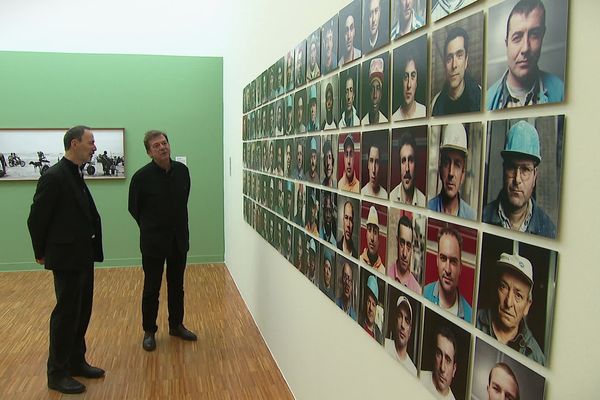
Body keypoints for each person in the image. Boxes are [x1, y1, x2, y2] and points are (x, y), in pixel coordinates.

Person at [27, 126, 104, 394]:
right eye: (90, 142)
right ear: (75, 144)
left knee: (82, 311)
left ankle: (76, 361)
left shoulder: (74, 173)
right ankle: (56, 373)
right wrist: (40, 251)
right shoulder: (55, 177)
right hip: (66, 257)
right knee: (66, 314)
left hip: (82, 255)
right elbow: (36, 218)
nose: (94, 147)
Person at [128, 130, 197, 352]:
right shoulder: (141, 177)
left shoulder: (182, 172)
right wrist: (151, 227)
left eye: (164, 143)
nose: (162, 147)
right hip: (153, 242)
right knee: (151, 288)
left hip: (178, 239)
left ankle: (176, 325)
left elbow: (183, 200)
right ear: (149, 152)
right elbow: (134, 208)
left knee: (177, 285)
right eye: (156, 146)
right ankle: (149, 331)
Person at [482, 120, 556, 238]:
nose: (517, 179)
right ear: (503, 169)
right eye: (511, 167)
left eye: (525, 170)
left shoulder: (548, 230)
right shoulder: (482, 217)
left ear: (535, 176)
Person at [487, 0, 564, 110]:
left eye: (534, 35)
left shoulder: (560, 91)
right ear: (506, 44)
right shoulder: (487, 100)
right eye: (517, 38)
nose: (525, 48)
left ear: (542, 37)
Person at [476, 252, 545, 365]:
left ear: (527, 306)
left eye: (518, 296)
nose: (508, 303)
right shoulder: (473, 320)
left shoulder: (536, 357)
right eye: (504, 287)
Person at [423, 226, 472, 322]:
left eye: (453, 261)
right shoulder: (422, 295)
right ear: (437, 261)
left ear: (460, 268)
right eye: (443, 258)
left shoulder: (470, 316)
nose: (448, 269)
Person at [428, 124, 476, 220]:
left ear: (463, 174)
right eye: (446, 163)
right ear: (440, 169)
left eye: (457, 165)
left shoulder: (471, 217)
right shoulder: (427, 209)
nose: (451, 173)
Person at [432, 26, 481, 116]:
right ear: (444, 65)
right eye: (449, 58)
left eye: (459, 55)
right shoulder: (436, 103)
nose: (454, 65)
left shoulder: (480, 96)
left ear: (466, 60)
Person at [421, 325, 459, 399]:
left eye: (448, 360)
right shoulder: (418, 378)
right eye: (439, 354)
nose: (442, 368)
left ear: (454, 369)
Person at [387, 215, 422, 294]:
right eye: (402, 243)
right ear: (397, 241)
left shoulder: (416, 289)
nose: (405, 253)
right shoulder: (386, 274)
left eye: (409, 245)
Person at [390, 132, 426, 207]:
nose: (407, 169)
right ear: (399, 165)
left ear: (416, 164)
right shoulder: (391, 198)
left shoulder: (423, 202)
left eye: (411, 160)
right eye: (403, 160)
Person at [384, 296, 417, 376]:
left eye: (407, 320)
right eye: (400, 316)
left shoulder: (412, 371)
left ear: (410, 331)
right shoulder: (384, 344)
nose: (402, 325)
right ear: (395, 320)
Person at [392, 52, 426, 120]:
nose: (409, 85)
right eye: (405, 77)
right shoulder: (393, 119)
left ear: (416, 82)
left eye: (413, 76)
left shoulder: (425, 112)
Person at [362, 57, 388, 125]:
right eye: (372, 88)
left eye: (378, 88)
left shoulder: (385, 122)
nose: (375, 95)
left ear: (381, 93)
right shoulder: (362, 122)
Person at [360, 206, 385, 273]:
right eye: (369, 230)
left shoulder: (383, 271)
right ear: (366, 234)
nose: (372, 238)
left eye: (375, 232)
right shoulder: (360, 260)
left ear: (379, 238)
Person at [362, 275, 383, 343]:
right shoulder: (358, 321)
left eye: (373, 304)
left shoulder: (379, 335)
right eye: (369, 302)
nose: (370, 308)